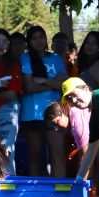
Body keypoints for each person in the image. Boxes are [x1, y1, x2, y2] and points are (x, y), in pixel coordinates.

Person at [20, 26, 67, 176]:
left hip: (55, 113)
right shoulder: (25, 58)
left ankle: (60, 192)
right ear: (29, 41)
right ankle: (36, 192)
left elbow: (62, 85)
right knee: (35, 155)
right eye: (34, 38)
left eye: (41, 37)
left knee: (57, 154)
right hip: (32, 114)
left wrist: (42, 80)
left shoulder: (56, 58)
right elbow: (28, 87)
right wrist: (51, 83)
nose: (38, 41)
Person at [0, 28, 23, 175]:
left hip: (7, 110)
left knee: (6, 149)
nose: (1, 44)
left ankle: (8, 186)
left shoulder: (14, 64)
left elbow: (11, 95)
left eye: (5, 41)